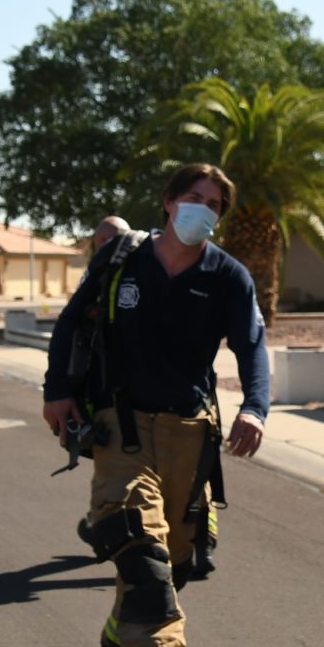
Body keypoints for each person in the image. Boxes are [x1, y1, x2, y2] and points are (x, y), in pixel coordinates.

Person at [43, 163, 269, 647]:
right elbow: (70, 324)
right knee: (139, 547)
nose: (204, 210)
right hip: (120, 428)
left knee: (179, 559)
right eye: (194, 197)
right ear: (168, 202)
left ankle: (123, 632)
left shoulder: (228, 275)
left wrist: (254, 408)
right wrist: (57, 392)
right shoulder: (121, 260)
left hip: (190, 433)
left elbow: (252, 346)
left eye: (214, 204)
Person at [76, 214, 221, 579]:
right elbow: (77, 330)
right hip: (121, 400)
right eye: (101, 243)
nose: (105, 248)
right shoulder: (105, 273)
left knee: (185, 476)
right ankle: (126, 536)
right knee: (137, 473)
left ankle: (189, 541)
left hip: (174, 402)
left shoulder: (146, 269)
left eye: (109, 241)